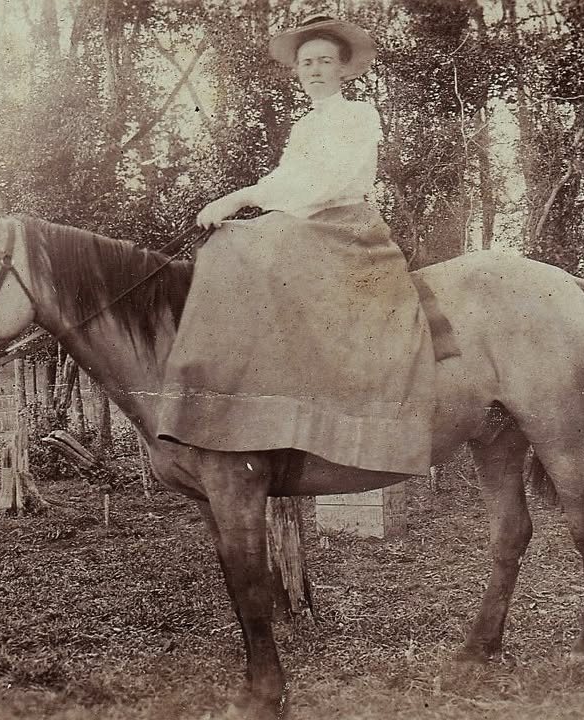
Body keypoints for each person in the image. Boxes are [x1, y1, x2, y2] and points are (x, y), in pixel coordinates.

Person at [156, 15, 435, 476]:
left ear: (344, 69)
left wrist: (245, 198)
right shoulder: (306, 125)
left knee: (238, 251)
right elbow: (288, 177)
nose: (316, 70)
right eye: (307, 63)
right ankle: (234, 403)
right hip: (306, 222)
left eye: (326, 61)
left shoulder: (359, 115)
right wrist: (237, 199)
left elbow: (333, 179)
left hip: (344, 225)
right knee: (225, 247)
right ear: (297, 71)